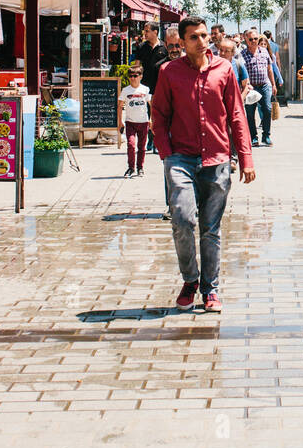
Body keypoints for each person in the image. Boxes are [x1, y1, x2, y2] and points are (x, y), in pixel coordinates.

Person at [151, 16, 255, 313]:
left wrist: (245, 157)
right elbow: (159, 115)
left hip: (217, 159)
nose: (201, 41)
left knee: (210, 229)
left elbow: (236, 114)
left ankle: (211, 289)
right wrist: (166, 153)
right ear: (182, 43)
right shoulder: (169, 72)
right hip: (181, 159)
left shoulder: (224, 70)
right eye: (194, 37)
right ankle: (190, 280)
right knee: (182, 220)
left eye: (204, 35)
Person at [242, 29, 282, 147]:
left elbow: (270, 69)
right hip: (251, 88)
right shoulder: (242, 55)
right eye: (251, 39)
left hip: (265, 85)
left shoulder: (264, 52)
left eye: (256, 39)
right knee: (250, 112)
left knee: (267, 109)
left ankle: (266, 136)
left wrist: (273, 84)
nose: (254, 41)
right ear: (246, 40)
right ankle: (254, 137)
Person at [117, 64, 151, 177]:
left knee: (142, 147)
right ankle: (131, 167)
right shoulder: (126, 90)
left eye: (135, 75)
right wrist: (120, 121)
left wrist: (152, 120)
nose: (133, 78)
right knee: (131, 145)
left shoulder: (145, 89)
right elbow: (120, 105)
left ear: (140, 76)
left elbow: (151, 105)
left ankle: (140, 167)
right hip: (130, 122)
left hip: (143, 122)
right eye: (130, 76)